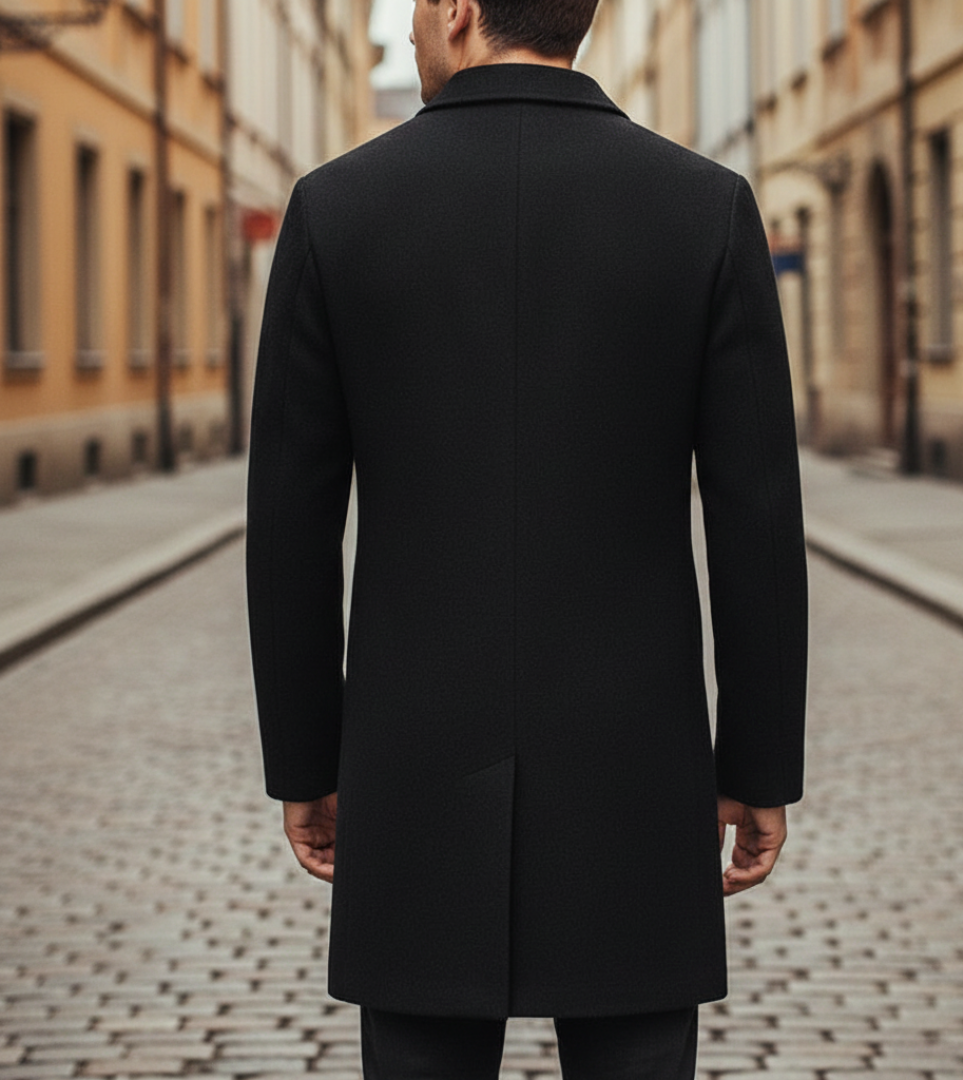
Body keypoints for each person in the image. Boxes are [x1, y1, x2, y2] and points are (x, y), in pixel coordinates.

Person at [245, 0, 808, 1076]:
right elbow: (756, 519)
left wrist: (306, 763)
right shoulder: (705, 207)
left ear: (458, 11)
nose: (407, 30)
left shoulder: (335, 209)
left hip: (413, 771)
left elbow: (291, 527)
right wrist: (759, 760)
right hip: (636, 769)